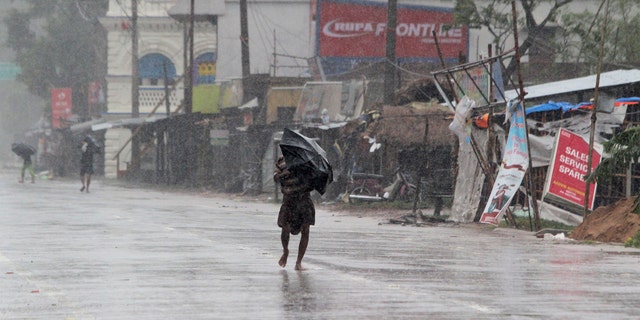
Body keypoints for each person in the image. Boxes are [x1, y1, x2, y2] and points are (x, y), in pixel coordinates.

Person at [274, 156, 315, 271]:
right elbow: (276, 178)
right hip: (289, 201)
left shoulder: (308, 162)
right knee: (285, 228)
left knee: (305, 230)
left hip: (304, 200)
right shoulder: (281, 161)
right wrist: (287, 172)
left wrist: (303, 172)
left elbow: (312, 182)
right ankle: (285, 251)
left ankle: (298, 262)